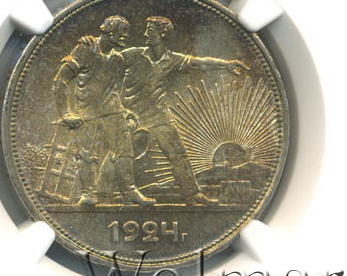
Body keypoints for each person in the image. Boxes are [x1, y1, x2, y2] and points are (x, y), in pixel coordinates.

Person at [117, 16, 249, 205]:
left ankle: (192, 194)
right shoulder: (132, 55)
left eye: (150, 30)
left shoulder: (171, 59)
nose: (145, 34)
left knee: (178, 154)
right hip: (129, 115)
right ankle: (105, 192)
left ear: (163, 34)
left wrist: (225, 64)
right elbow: (106, 63)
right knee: (120, 154)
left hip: (157, 115)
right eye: (146, 30)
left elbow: (199, 63)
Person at [52, 15, 155, 207]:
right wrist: (65, 113)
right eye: (122, 31)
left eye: (127, 32)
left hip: (113, 113)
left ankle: (129, 191)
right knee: (86, 155)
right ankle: (88, 194)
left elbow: (110, 91)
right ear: (109, 31)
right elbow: (61, 79)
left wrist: (124, 112)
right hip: (87, 114)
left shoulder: (117, 58)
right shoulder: (87, 48)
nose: (125, 36)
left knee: (125, 152)